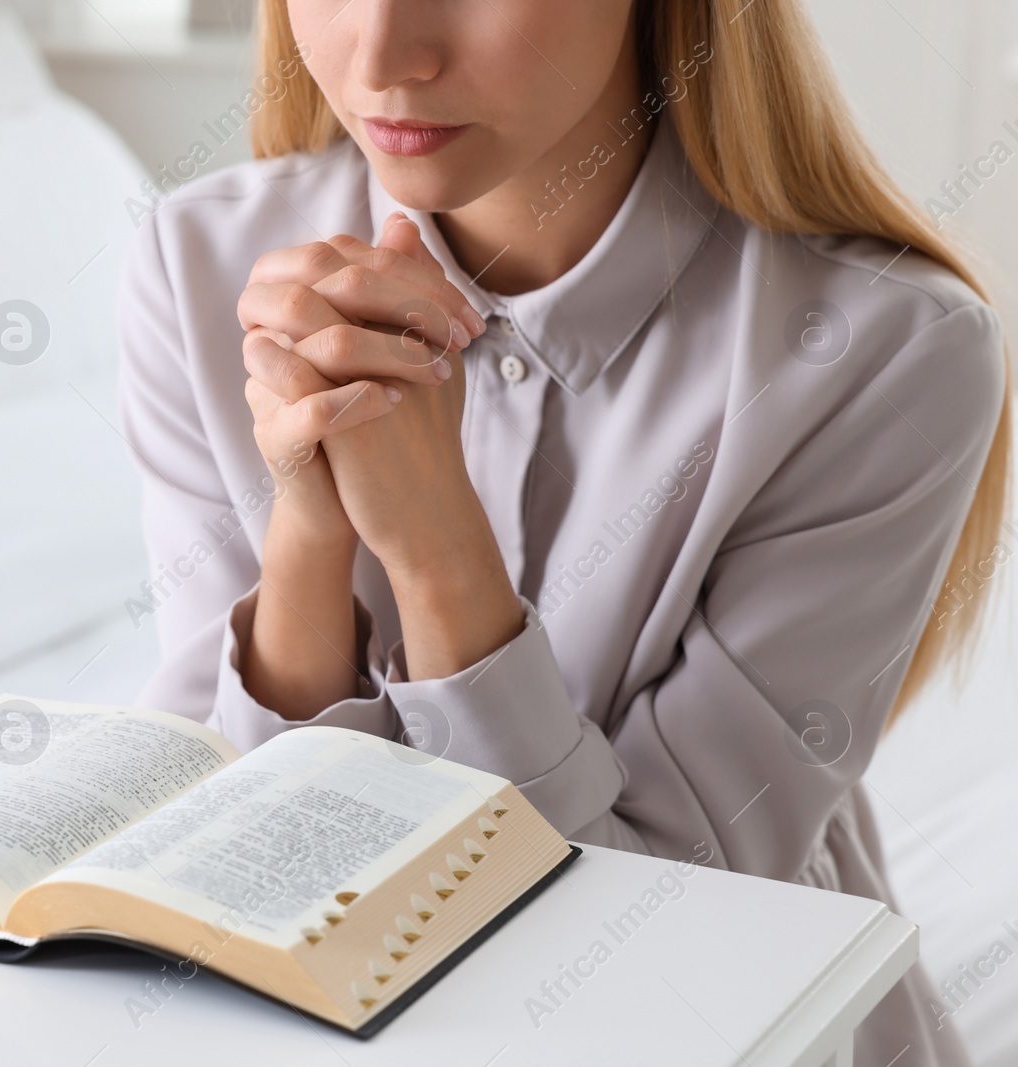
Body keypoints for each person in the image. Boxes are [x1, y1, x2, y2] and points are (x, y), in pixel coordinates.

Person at [116, 1, 1010, 1061]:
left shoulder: (886, 349)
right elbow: (228, 846)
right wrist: (309, 534)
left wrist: (437, 549)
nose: (384, 56)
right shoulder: (199, 260)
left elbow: (661, 943)